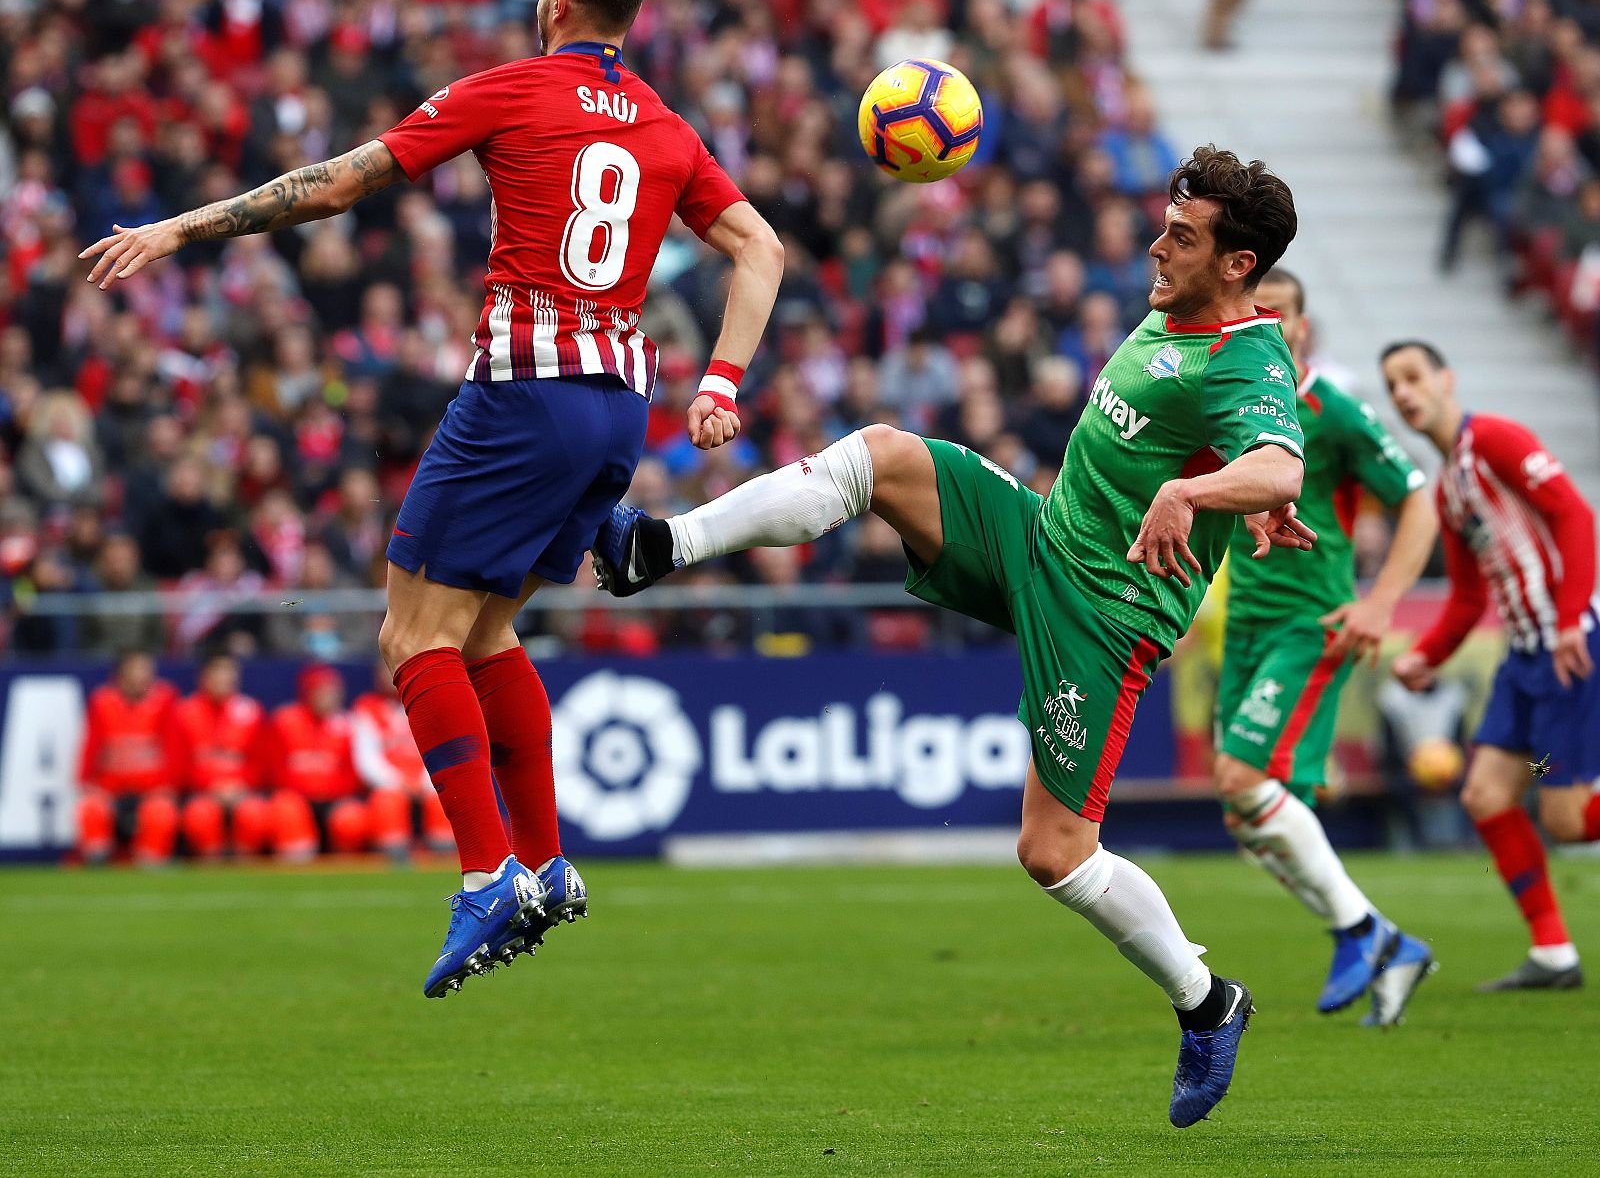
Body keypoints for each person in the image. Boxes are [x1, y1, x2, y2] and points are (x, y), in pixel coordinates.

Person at [79, 0, 783, 998]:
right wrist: (722, 382)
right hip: (618, 409)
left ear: (555, 1)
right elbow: (760, 247)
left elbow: (333, 185)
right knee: (489, 629)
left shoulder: (509, 89)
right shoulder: (664, 124)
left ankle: (486, 869)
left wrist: (179, 228)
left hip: (524, 396)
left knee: (411, 633)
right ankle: (546, 860)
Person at [595, 147, 1315, 1128]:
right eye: (1165, 223)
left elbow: (1276, 463)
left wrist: (1205, 491)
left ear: (1237, 265)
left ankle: (1207, 999)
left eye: (1182, 237)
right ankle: (659, 544)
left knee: (1053, 851)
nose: (1157, 244)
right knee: (883, 455)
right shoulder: (1174, 309)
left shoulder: (1247, 357)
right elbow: (1238, 460)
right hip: (1041, 543)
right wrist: (1224, 485)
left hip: (1106, 619)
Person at [1212, 269, 1440, 1028]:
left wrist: (1379, 603)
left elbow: (1417, 498)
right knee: (1252, 819)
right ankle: (1392, 941)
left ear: (1303, 329)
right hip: (1246, 623)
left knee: (1242, 777)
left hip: (1310, 623)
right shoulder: (1234, 406)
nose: (1267, 329)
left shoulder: (1331, 412)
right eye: (1254, 317)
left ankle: (1362, 931)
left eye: (1277, 317)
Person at [1383, 340, 1600, 991]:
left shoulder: (1497, 438)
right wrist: (1425, 657)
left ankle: (1554, 950)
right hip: (1524, 659)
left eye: (1414, 377)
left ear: (1447, 379)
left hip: (1573, 647)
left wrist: (1567, 619)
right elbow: (1470, 597)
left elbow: (1575, 513)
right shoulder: (1449, 486)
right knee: (1485, 793)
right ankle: (1554, 953)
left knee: (1565, 818)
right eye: (1392, 384)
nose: (1403, 392)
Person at [77, 651, 183, 866]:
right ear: (120, 674)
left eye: (146, 669)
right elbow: (91, 743)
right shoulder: (102, 701)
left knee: (161, 811)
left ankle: (149, 860)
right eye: (135, 669)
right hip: (111, 788)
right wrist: (87, 781)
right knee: (91, 807)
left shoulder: (165, 699)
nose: (141, 676)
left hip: (152, 789)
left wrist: (169, 784)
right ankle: (97, 859)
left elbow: (173, 746)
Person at [259, 664, 367, 863]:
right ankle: (296, 869)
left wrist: (331, 793)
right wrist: (303, 790)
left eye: (333, 691)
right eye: (323, 691)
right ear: (308, 692)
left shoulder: (348, 724)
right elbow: (273, 768)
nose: (330, 696)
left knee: (352, 818)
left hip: (335, 800)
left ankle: (346, 871)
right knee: (287, 808)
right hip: (296, 797)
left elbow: (354, 772)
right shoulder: (284, 720)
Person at [173, 652, 271, 860]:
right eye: (217, 670)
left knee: (254, 813)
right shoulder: (184, 711)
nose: (224, 677)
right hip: (200, 794)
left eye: (229, 670)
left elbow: (262, 763)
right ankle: (210, 865)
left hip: (243, 794)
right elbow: (178, 764)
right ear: (203, 676)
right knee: (201, 815)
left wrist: (242, 786)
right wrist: (210, 787)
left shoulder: (251, 710)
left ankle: (246, 868)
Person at [351, 662, 454, 860]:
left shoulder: (425, 702)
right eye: (385, 670)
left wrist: (425, 781)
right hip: (390, 786)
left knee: (442, 797)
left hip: (427, 782)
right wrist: (398, 782)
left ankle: (444, 861)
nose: (390, 675)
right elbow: (366, 757)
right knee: (387, 802)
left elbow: (440, 747)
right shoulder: (367, 708)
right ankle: (395, 859)